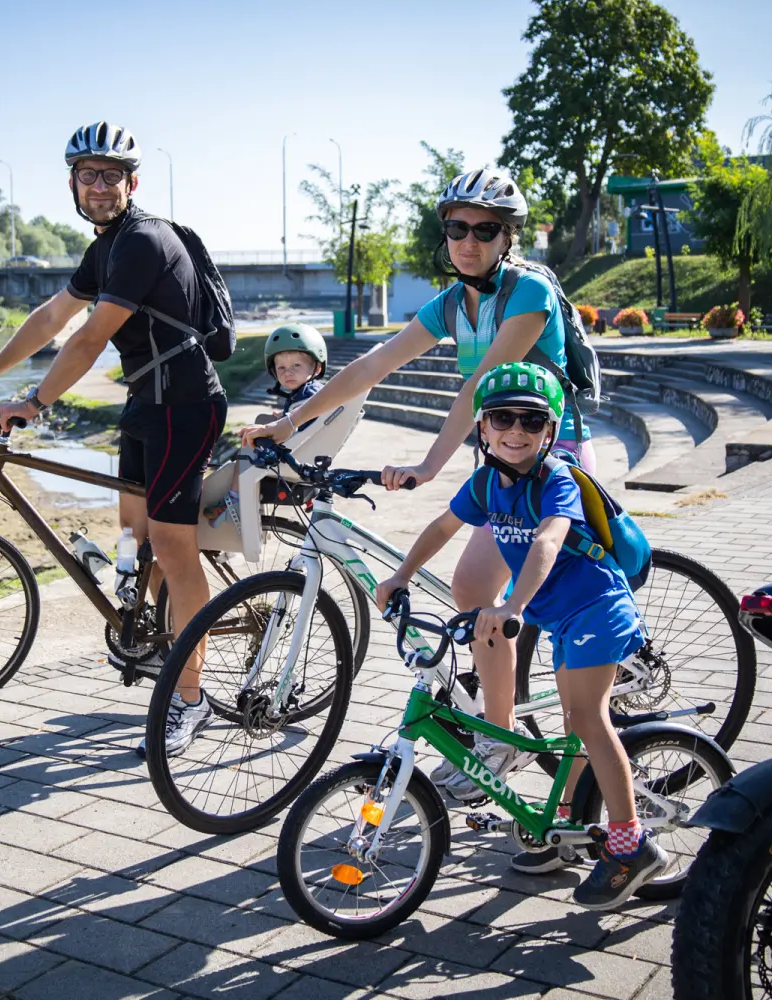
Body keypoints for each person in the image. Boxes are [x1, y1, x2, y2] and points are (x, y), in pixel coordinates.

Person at [239, 167, 591, 795]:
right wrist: (291, 420)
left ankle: (577, 747)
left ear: (507, 236)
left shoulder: (530, 293)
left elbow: (479, 384)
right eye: (457, 228)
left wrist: (430, 465)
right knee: (471, 588)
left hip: (550, 457)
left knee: (555, 602)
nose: (468, 241)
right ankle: (501, 736)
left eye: (485, 230)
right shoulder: (452, 303)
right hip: (500, 459)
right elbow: (372, 365)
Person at [0, 120, 225, 756]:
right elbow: (52, 316)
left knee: (173, 551)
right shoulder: (105, 248)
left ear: (131, 184)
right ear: (72, 183)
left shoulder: (142, 241)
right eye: (87, 175)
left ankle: (191, 700)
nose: (99, 186)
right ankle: (154, 634)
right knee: (132, 534)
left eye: (111, 175)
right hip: (145, 406)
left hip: (186, 408)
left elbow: (90, 338)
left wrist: (34, 402)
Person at [374, 361, 664, 910]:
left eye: (531, 421)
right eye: (502, 418)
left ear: (550, 430)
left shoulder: (558, 480)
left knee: (588, 719)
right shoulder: (487, 482)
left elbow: (548, 542)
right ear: (482, 428)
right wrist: (400, 575)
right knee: (572, 723)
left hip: (596, 609)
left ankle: (631, 846)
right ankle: (569, 828)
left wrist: (512, 605)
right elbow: (442, 527)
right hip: (562, 617)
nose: (515, 431)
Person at [204, 324, 327, 529]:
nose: (288, 372)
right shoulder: (309, 392)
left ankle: (234, 498)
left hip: (294, 457)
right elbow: (302, 419)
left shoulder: (309, 395)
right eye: (281, 368)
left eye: (296, 365)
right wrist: (283, 417)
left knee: (247, 447)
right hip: (305, 453)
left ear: (317, 367)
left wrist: (282, 422)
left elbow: (302, 422)